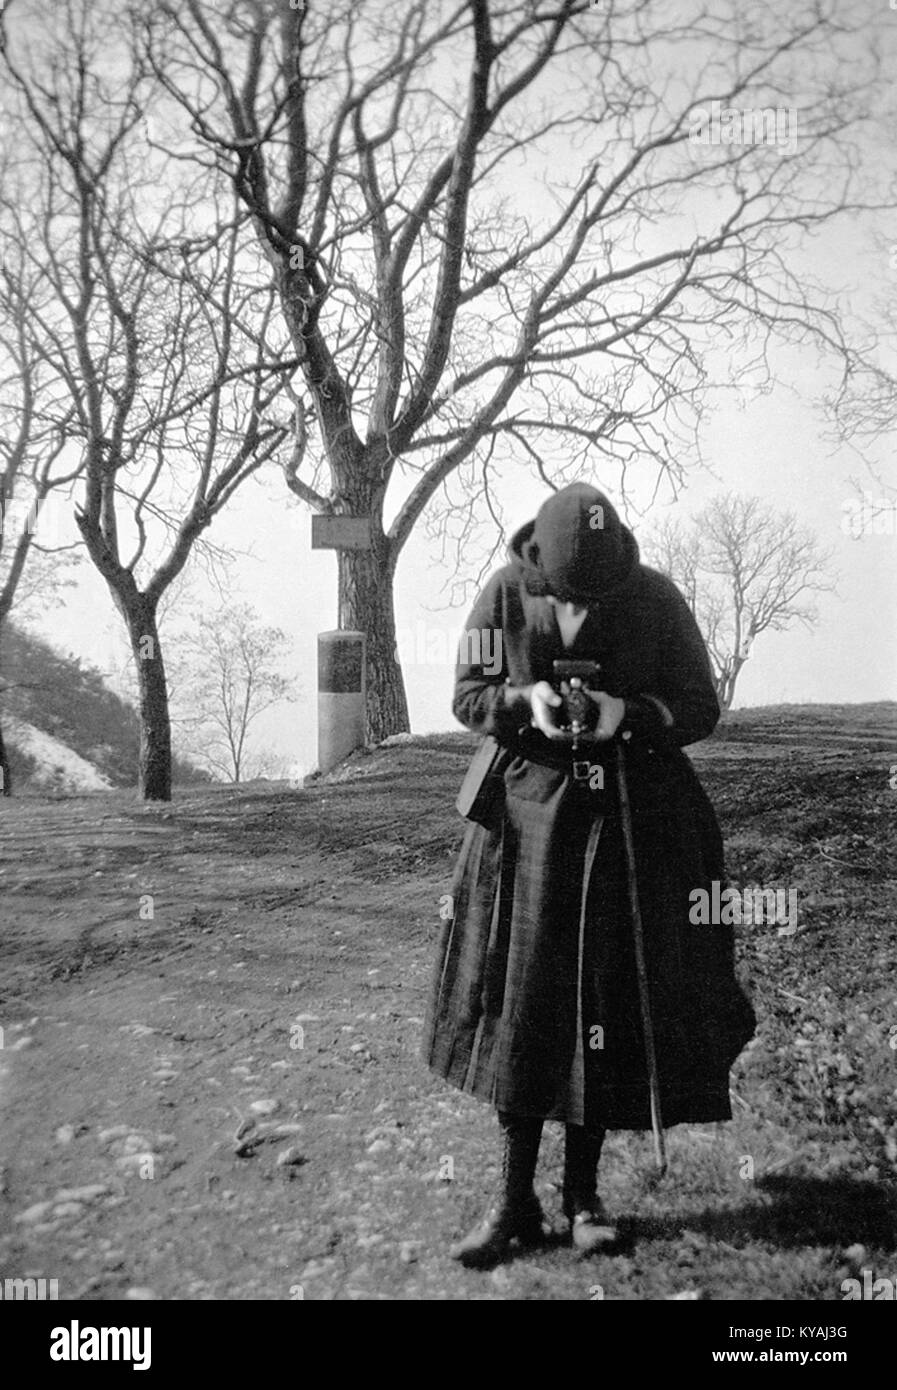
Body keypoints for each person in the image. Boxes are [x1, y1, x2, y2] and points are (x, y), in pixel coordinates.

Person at [422, 481, 755, 1268]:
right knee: (521, 999)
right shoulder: (505, 592)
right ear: (539, 561)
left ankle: (582, 1197)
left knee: (599, 1000)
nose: (583, 603)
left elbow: (699, 707)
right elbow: (466, 695)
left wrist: (625, 713)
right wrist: (522, 701)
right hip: (524, 823)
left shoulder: (655, 599)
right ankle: (511, 1201)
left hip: (628, 821)